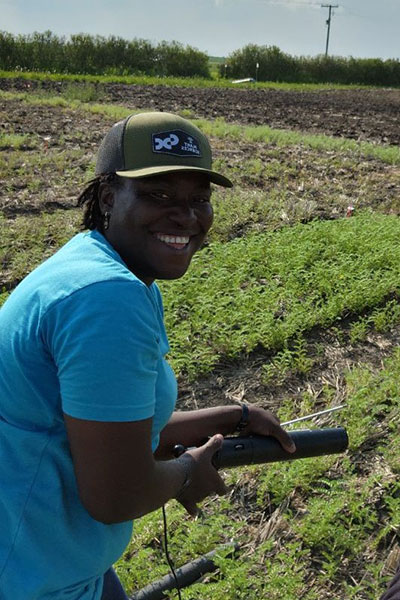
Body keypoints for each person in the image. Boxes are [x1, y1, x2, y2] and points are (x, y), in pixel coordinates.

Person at [0, 111, 296, 600]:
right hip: (30, 577)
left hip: (54, 556)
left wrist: (232, 416)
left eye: (199, 198)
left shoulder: (104, 267)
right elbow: (116, 494)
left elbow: (101, 426)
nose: (186, 215)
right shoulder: (106, 298)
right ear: (109, 196)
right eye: (158, 194)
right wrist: (185, 474)